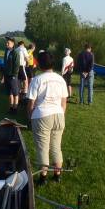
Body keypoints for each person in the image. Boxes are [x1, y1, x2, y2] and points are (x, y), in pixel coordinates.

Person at [27, 50, 68, 186]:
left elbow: (31, 102)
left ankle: (43, 178)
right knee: (56, 147)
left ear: (38, 64)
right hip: (59, 115)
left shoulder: (37, 79)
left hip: (42, 115)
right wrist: (61, 113)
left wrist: (30, 117)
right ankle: (57, 174)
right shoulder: (60, 79)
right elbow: (64, 101)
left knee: (43, 148)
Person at [3, 36, 20, 114]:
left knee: (15, 92)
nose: (6, 44)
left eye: (8, 43)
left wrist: (14, 75)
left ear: (13, 44)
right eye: (6, 42)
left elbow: (17, 65)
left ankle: (15, 108)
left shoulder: (15, 52)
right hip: (6, 75)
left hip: (13, 76)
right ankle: (10, 107)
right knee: (9, 92)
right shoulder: (6, 51)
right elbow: (5, 63)